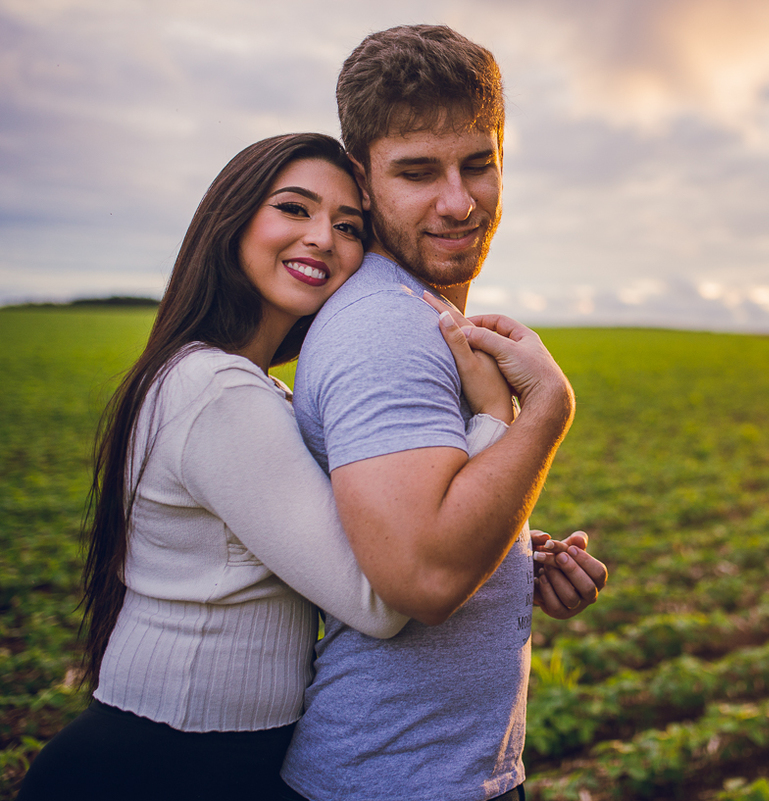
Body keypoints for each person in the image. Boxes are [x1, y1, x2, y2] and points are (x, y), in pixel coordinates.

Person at [17, 132, 577, 800]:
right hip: (164, 765)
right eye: (294, 208)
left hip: (208, 753)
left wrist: (506, 550)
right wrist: (495, 416)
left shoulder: (244, 390)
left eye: (348, 225)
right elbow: (386, 594)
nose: (323, 238)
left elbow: (351, 542)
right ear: (231, 221)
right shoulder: (217, 393)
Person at [279, 25, 608, 801]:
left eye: (479, 164)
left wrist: (516, 557)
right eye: (419, 172)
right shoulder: (383, 329)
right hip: (392, 780)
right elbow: (423, 574)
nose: (459, 202)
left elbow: (412, 518)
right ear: (361, 179)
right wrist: (547, 412)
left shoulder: (416, 315)